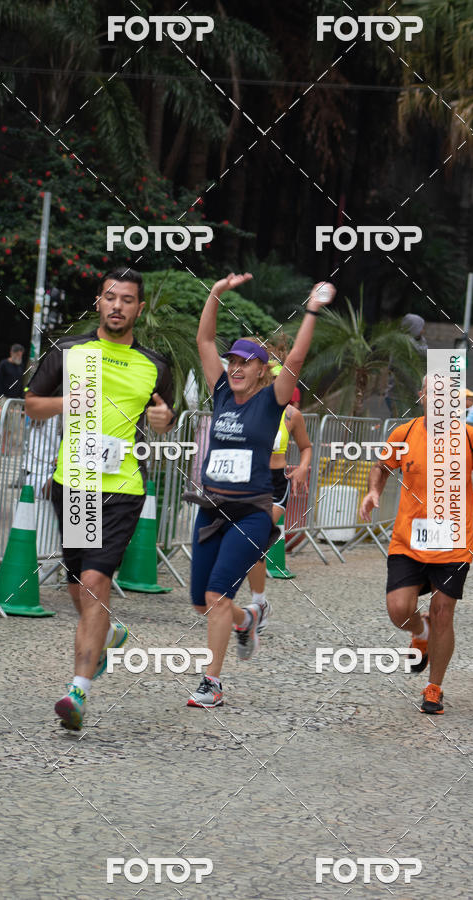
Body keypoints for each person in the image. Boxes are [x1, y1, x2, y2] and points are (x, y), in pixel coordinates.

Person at [25, 268, 176, 730]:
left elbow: (163, 419)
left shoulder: (155, 364)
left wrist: (164, 418)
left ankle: (77, 692)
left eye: (127, 300)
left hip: (123, 488)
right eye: (110, 297)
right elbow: (32, 404)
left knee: (94, 581)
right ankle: (107, 634)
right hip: (73, 483)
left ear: (139, 309)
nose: (117, 306)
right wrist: (72, 401)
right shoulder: (70, 351)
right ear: (98, 302)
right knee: (78, 584)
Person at [185, 274, 334, 708]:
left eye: (245, 361)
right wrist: (214, 294)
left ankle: (211, 683)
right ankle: (246, 618)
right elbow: (205, 342)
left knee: (217, 594)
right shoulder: (222, 395)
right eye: (233, 360)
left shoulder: (273, 400)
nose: (235, 366)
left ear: (262, 369)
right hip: (211, 507)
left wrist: (310, 310)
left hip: (251, 511)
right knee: (201, 603)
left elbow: (298, 360)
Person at [360, 376, 473, 715]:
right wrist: (374, 492)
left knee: (444, 611)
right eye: (432, 392)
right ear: (422, 396)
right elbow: (381, 467)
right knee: (399, 610)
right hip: (408, 539)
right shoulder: (404, 434)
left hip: (454, 542)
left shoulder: (470, 437)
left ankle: (434, 687)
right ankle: (419, 629)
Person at [246, 360, 313, 627]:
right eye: (270, 379)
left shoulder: (291, 415)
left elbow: (306, 447)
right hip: (245, 482)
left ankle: (256, 605)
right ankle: (259, 603)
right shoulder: (246, 406)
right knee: (243, 546)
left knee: (253, 539)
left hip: (274, 484)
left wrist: (302, 469)